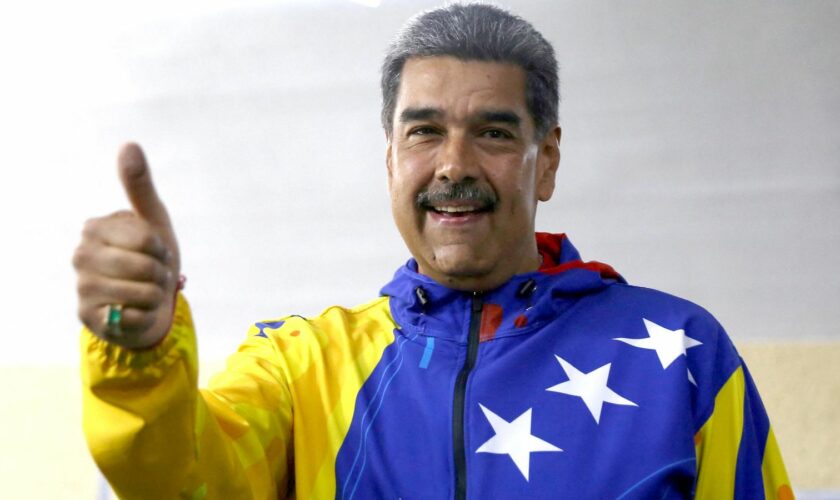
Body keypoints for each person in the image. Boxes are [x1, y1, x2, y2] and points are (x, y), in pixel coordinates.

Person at [74, 3, 792, 499]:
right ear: (389, 158)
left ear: (546, 161)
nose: (454, 164)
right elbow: (182, 483)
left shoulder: (684, 356)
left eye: (495, 132)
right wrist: (139, 357)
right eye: (423, 131)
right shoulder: (300, 368)